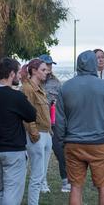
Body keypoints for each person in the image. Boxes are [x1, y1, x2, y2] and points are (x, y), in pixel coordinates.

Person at [57, 50, 104, 205]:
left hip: (73, 143)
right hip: (99, 143)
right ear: (94, 64)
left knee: (75, 187)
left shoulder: (65, 87)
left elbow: (59, 120)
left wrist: (62, 141)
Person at [0, 57, 37, 205]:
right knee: (12, 192)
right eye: (18, 72)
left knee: (2, 190)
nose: (20, 76)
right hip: (13, 150)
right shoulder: (15, 96)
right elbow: (31, 115)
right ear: (11, 74)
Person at [22, 58, 53, 204]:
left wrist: (49, 132)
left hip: (46, 133)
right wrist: (34, 134)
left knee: (41, 175)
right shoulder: (28, 88)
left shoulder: (39, 88)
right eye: (43, 70)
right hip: (37, 135)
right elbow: (26, 114)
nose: (47, 72)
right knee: (36, 176)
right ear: (34, 71)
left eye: (46, 69)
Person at [39, 54, 70, 193]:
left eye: (51, 65)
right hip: (40, 123)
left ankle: (65, 181)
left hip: (55, 123)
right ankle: (42, 182)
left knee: (61, 152)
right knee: (41, 155)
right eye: (47, 65)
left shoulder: (57, 83)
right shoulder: (33, 82)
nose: (49, 67)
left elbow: (63, 103)